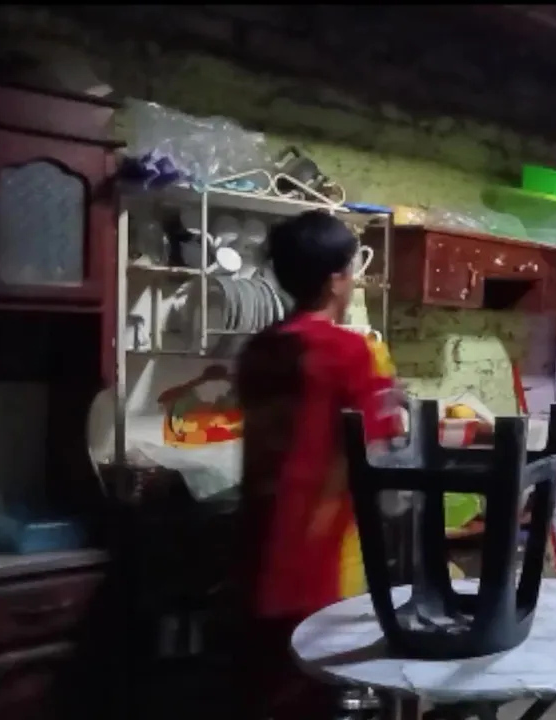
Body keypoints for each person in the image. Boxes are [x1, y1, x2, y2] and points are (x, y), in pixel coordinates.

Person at [233, 211, 403, 720]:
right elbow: (378, 458)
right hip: (321, 555)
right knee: (320, 694)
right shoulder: (352, 351)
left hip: (255, 546)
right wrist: (390, 401)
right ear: (335, 279)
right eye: (351, 271)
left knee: (267, 691)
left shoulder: (257, 350)